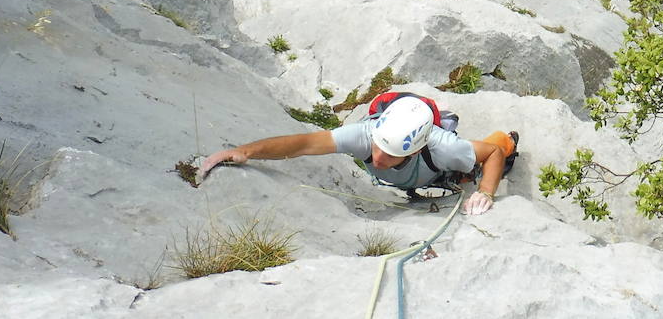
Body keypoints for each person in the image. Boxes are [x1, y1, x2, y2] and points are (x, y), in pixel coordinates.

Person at [196, 95, 517, 216]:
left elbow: (491, 153)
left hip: (437, 168)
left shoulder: (441, 146)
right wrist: (245, 151)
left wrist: (486, 193)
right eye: (378, 147)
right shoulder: (365, 135)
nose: (377, 158)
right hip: (421, 170)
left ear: (417, 148)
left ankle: (510, 138)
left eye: (390, 155)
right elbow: (303, 144)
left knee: (487, 156)